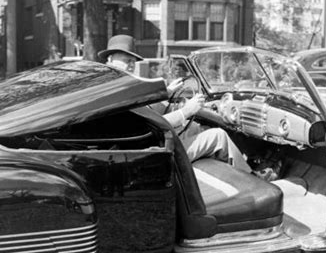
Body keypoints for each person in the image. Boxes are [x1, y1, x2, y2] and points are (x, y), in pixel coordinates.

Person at [99, 35, 241, 165]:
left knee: (194, 128)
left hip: (144, 148)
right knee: (218, 136)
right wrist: (186, 111)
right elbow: (151, 126)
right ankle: (253, 183)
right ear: (110, 60)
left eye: (133, 61)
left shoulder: (116, 86)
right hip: (152, 154)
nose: (131, 65)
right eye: (126, 60)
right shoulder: (117, 91)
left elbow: (146, 109)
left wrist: (167, 93)